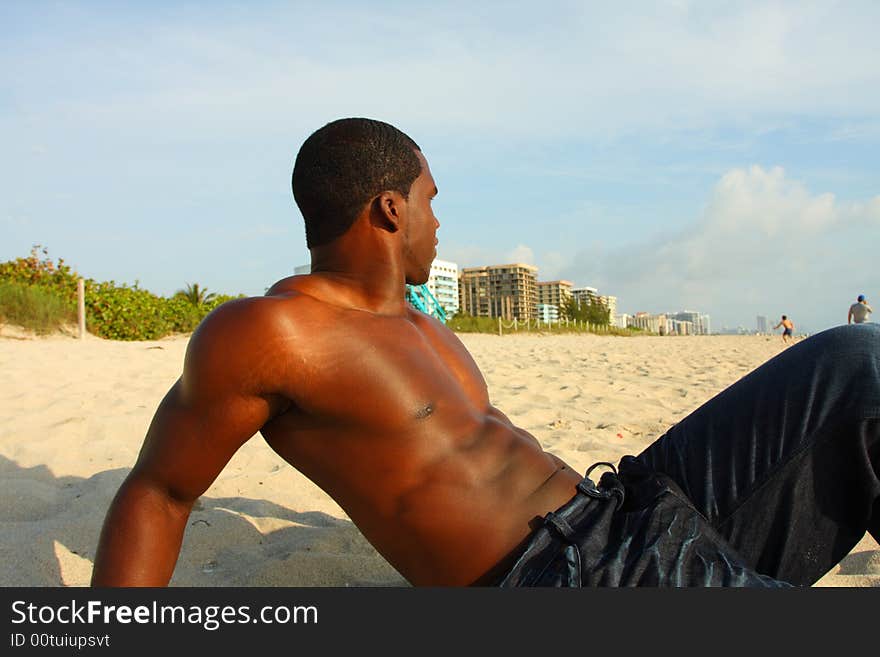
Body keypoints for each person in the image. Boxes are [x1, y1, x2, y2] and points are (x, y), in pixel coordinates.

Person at [91, 118, 880, 587]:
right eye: (432, 202)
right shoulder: (272, 333)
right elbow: (159, 493)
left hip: (627, 507)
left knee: (858, 363)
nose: (440, 223)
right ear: (389, 208)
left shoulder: (420, 321)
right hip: (565, 578)